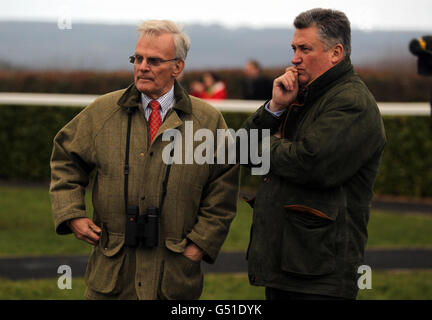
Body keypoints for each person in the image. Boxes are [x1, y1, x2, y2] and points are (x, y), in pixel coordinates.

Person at [49, 20, 239, 300]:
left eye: (153, 60)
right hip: (111, 277)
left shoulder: (208, 121)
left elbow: (222, 189)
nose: (142, 66)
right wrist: (72, 214)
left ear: (178, 67)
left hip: (173, 278)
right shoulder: (102, 112)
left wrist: (199, 245)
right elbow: (65, 158)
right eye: (137, 58)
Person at [240, 8, 386, 300]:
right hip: (291, 268)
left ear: (336, 53)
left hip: (320, 278)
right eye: (294, 48)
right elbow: (240, 149)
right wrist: (275, 108)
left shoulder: (351, 102)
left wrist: (264, 147)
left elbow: (310, 163)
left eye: (305, 49)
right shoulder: (301, 95)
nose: (295, 58)